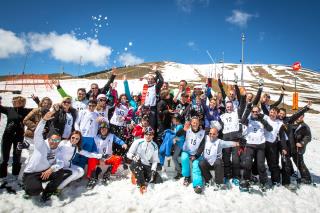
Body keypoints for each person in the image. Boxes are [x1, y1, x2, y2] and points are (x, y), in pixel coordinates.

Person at [23, 111, 65, 202]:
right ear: (48, 139)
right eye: (53, 140)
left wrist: (51, 169)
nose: (55, 142)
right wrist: (43, 120)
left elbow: (61, 163)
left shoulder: (58, 149)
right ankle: (29, 187)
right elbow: (37, 133)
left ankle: (48, 192)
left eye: (58, 141)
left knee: (60, 172)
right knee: (35, 191)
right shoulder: (41, 144)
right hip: (31, 173)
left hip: (45, 172)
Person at [240, 105, 273, 192]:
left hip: (260, 146)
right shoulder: (249, 120)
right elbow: (242, 120)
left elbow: (270, 129)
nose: (255, 113)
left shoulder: (263, 119)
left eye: (256, 112)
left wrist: (261, 119)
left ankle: (263, 182)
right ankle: (246, 180)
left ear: (259, 112)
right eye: (253, 112)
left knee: (260, 165)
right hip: (250, 145)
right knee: (247, 163)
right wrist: (248, 109)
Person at [86, 122, 128, 189]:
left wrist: (123, 143)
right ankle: (92, 177)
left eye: (105, 129)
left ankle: (108, 173)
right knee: (91, 158)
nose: (103, 130)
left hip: (108, 157)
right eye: (102, 128)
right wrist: (99, 157)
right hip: (98, 158)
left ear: (108, 129)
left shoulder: (111, 136)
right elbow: (93, 150)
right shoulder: (95, 137)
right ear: (100, 129)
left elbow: (118, 140)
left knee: (118, 158)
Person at [0, 96, 33, 179]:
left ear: (22, 102)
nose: (14, 102)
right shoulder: (9, 109)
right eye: (13, 101)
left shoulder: (26, 111)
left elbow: (40, 109)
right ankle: (2, 171)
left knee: (17, 154)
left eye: (16, 101)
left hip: (19, 136)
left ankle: (16, 171)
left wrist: (36, 100)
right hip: (7, 135)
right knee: (5, 154)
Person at [127, 127, 162, 194]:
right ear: (144, 134)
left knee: (159, 180)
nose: (148, 136)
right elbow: (128, 154)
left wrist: (153, 170)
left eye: (150, 134)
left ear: (153, 136)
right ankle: (142, 185)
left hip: (146, 165)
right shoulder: (137, 142)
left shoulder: (154, 145)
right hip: (136, 164)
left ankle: (139, 176)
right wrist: (133, 157)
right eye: (146, 134)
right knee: (137, 165)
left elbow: (155, 160)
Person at [176, 116, 205, 194]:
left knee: (196, 165)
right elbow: (177, 134)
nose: (195, 124)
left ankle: (197, 184)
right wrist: (183, 130)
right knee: (184, 157)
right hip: (187, 151)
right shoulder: (187, 130)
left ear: (199, 123)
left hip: (197, 154)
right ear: (191, 123)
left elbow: (202, 146)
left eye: (196, 122)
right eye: (193, 122)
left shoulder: (203, 133)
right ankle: (187, 176)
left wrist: (196, 156)